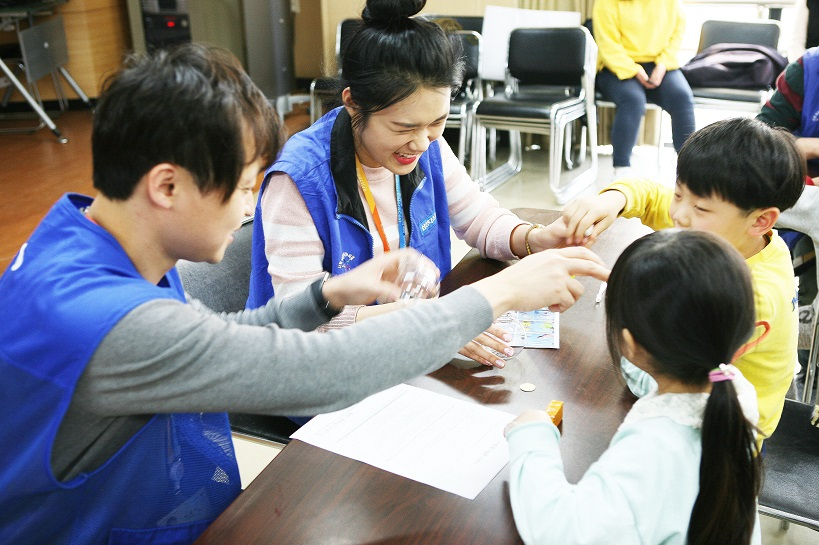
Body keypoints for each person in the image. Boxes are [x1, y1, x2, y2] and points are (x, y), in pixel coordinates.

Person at [0, 44, 610, 545]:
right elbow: (320, 372)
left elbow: (219, 338)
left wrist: (324, 295)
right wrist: (496, 294)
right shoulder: (102, 319)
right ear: (167, 185)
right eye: (242, 190)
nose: (248, 211)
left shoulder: (86, 240)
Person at [248, 0, 577, 369]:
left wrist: (535, 238)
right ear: (353, 104)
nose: (422, 143)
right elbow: (301, 321)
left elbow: (478, 217)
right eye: (403, 128)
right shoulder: (298, 180)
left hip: (407, 355)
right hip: (325, 375)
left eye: (438, 121)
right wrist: (435, 322)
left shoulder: (426, 146)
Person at [505, 229, 762, 545]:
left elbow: (560, 533)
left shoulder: (651, 450)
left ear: (630, 343)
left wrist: (531, 437)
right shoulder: (733, 392)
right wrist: (641, 350)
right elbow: (659, 377)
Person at [562, 117, 806, 443]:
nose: (679, 214)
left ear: (761, 220)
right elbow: (647, 194)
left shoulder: (753, 292)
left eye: (700, 206)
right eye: (679, 194)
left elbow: (674, 369)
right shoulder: (726, 229)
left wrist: (625, 313)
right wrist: (610, 201)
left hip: (724, 436)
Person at [592, 0, 696, 177]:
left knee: (682, 98)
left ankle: (690, 169)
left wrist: (662, 65)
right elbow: (607, 44)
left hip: (659, 64)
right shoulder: (606, 3)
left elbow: (676, 36)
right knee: (632, 100)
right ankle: (621, 168)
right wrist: (634, 70)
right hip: (615, 65)